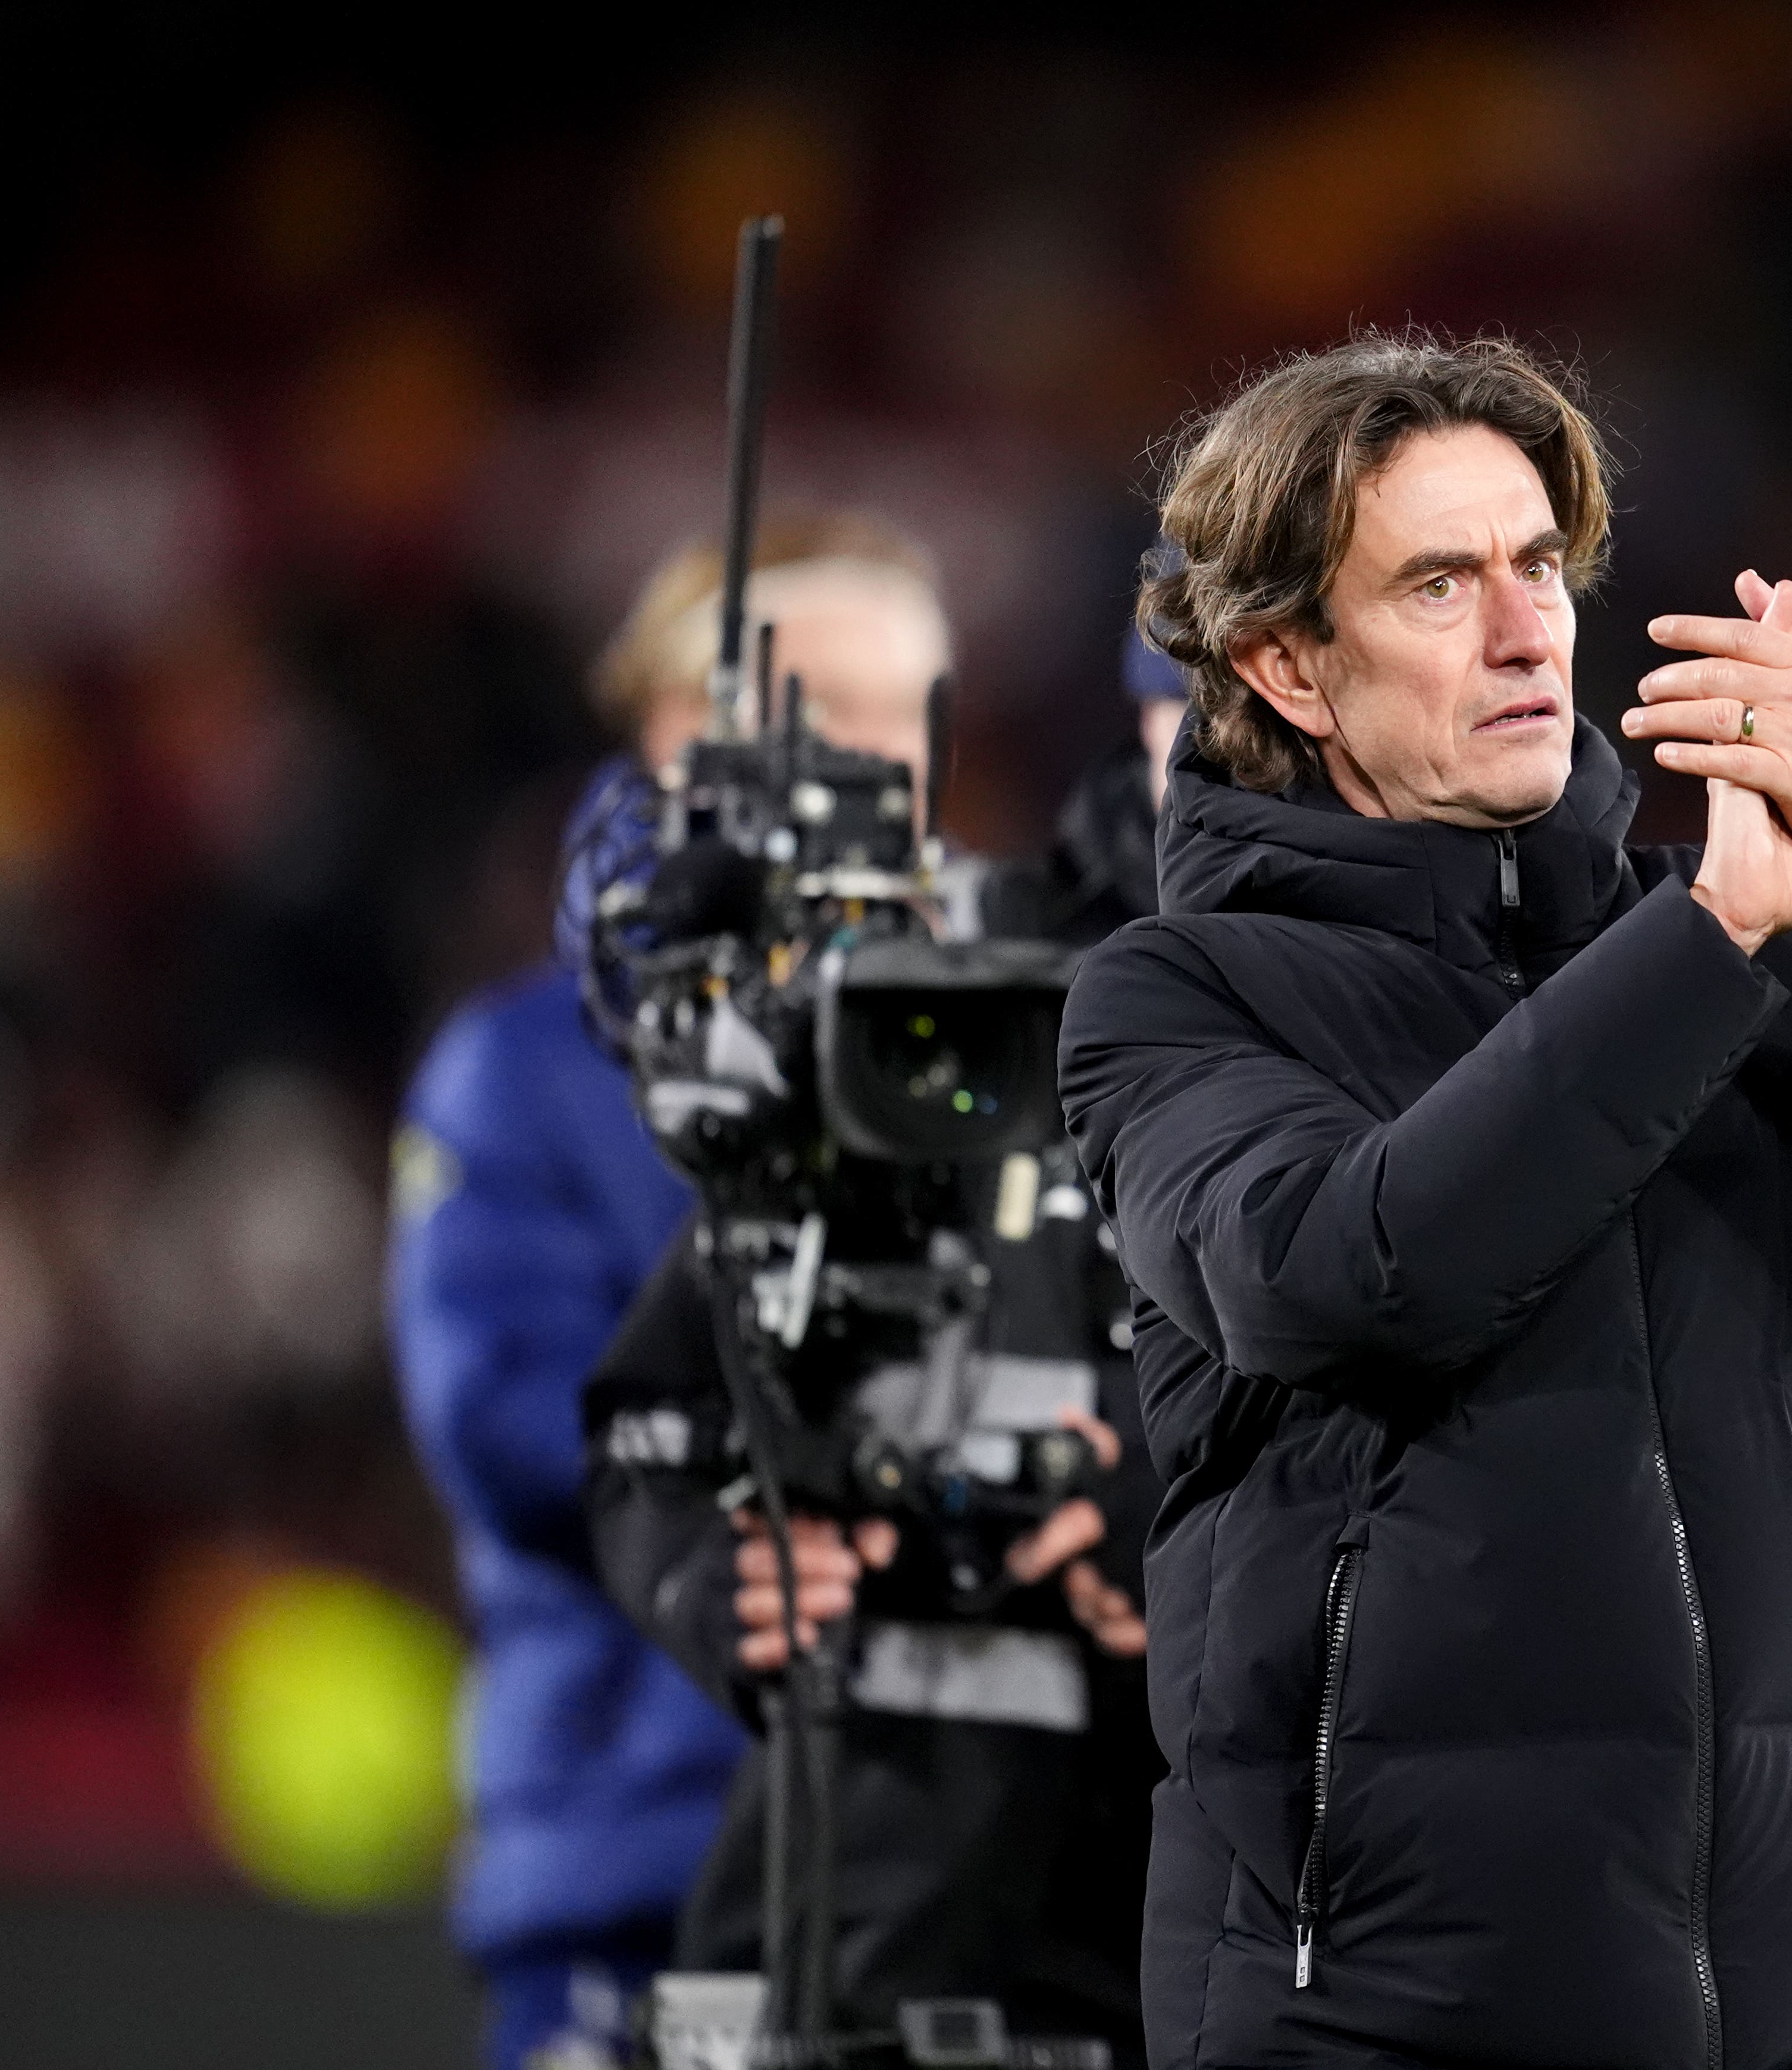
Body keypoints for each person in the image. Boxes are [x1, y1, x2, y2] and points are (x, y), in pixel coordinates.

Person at [1057, 333, 1792, 2070]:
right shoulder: (1178, 996)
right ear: (1286, 666)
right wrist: (1708, 941)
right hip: (1376, 2026)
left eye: (1537, 569)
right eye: (1436, 584)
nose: (1524, 632)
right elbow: (1349, 1277)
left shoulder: (1731, 932)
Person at [579, 544, 1178, 2050]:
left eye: (886, 716)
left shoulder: (1464, 1005)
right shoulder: (945, 1018)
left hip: (1238, 1884)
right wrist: (710, 1582)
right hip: (884, 1859)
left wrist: (1182, 1513)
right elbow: (655, 1409)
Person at [390, 509, 966, 2070]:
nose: (877, 758)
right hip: (638, 1836)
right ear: (672, 730)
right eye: (822, 711)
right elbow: (506, 1419)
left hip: (958, 1859)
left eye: (906, 709)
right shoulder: (521, 1066)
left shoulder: (994, 1034)